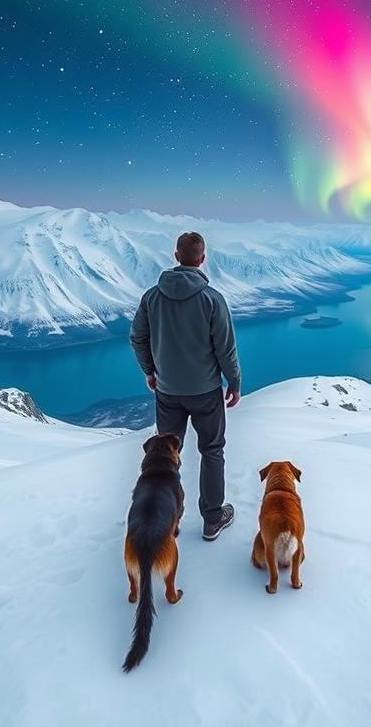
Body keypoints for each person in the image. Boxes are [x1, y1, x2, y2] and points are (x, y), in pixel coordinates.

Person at [129, 231, 241, 540]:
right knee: (212, 450)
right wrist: (234, 382)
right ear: (202, 260)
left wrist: (150, 370)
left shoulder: (152, 297)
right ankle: (213, 518)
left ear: (176, 256)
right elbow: (225, 349)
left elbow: (137, 337)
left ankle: (165, 517)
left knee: (165, 454)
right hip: (206, 391)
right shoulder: (213, 299)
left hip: (167, 392)